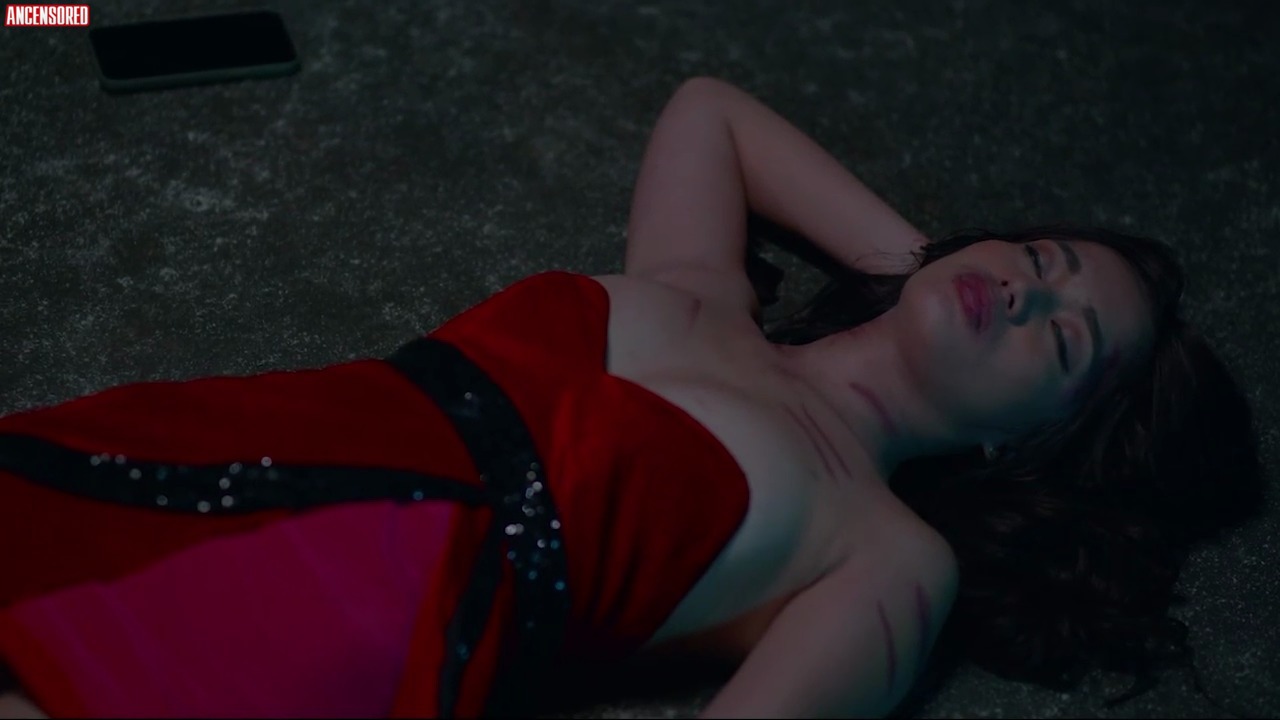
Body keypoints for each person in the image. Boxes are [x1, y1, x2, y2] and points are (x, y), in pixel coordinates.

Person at [0, 76, 1263, 719]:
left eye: (1060, 340)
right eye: (1036, 260)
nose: (1023, 291)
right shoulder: (694, 288)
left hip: (353, 606)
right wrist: (927, 267)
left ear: (1031, 445)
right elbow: (709, 109)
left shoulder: (887, 557)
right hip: (230, 434)